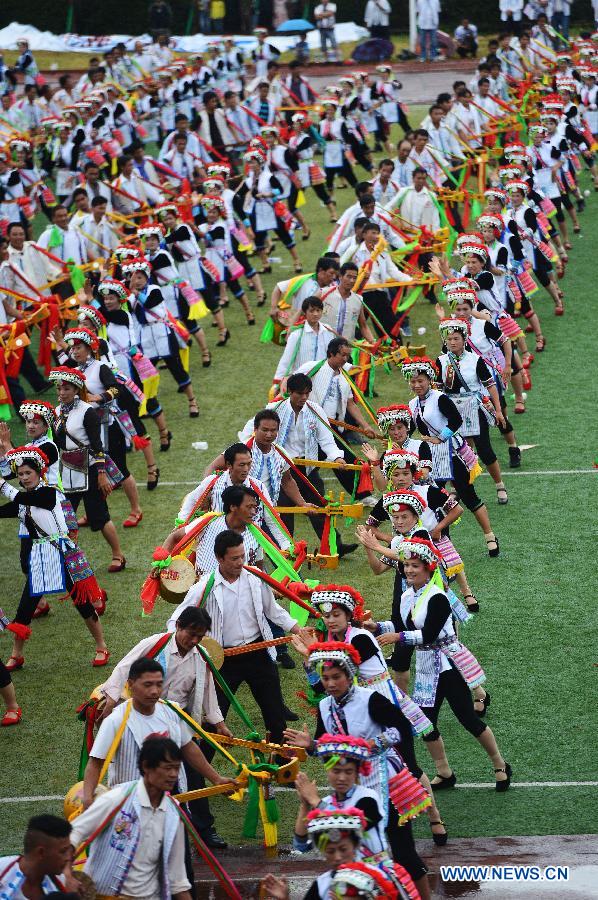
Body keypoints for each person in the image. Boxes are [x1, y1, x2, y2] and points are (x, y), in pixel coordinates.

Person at [284, 641, 431, 900]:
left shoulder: (370, 699)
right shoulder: (324, 707)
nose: (330, 684)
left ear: (349, 675)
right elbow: (326, 748)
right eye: (326, 678)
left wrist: (373, 744)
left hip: (386, 779)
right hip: (347, 779)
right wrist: (311, 746)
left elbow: (402, 728)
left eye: (336, 677)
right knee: (350, 849)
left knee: (404, 853)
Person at [378, 537, 512, 791]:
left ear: (428, 568)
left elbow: (428, 634)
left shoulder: (438, 597)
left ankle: (499, 763)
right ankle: (444, 771)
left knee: (467, 718)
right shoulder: (408, 595)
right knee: (426, 723)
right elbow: (400, 623)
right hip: (428, 665)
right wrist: (375, 626)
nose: (408, 570)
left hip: (448, 664)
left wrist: (397, 637)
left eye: (415, 566)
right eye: (406, 565)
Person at [167, 529, 312, 744]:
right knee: (215, 721)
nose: (240, 562)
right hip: (223, 660)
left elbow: (273, 611)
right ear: (219, 558)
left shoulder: (255, 577)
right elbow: (175, 620)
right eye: (234, 558)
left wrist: (299, 630)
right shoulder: (203, 586)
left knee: (275, 717)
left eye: (242, 556)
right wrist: (177, 644)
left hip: (259, 652)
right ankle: (199, 772)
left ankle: (284, 771)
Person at [0, 445, 110, 671]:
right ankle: (16, 654)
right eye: (20, 475)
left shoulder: (49, 493)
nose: (24, 477)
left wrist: (1, 483)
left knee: (82, 603)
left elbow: (17, 495)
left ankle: (101, 646)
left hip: (61, 554)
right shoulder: (24, 500)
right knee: (24, 608)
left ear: (39, 472)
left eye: (28, 473)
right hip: (40, 557)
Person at [71, 737, 196, 899]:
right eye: (167, 768)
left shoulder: (174, 817)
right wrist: (67, 874)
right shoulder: (117, 798)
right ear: (146, 767)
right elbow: (75, 832)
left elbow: (178, 881)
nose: (173, 775)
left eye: (176, 768)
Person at [0, 814, 81, 898]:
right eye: (63, 851)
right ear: (41, 852)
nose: (68, 858)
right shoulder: (2, 871)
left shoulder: (63, 885)